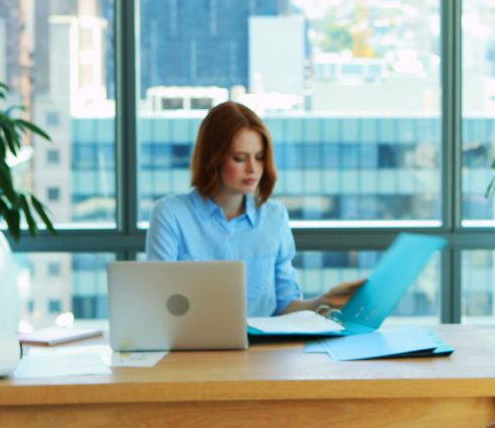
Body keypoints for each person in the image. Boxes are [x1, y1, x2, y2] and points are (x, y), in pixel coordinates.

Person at [146, 101, 365, 318]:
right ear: (213, 160)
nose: (252, 169)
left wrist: (323, 302)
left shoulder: (274, 217)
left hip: (260, 350)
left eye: (259, 158)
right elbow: (158, 303)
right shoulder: (171, 214)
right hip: (192, 349)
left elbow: (284, 306)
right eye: (239, 158)